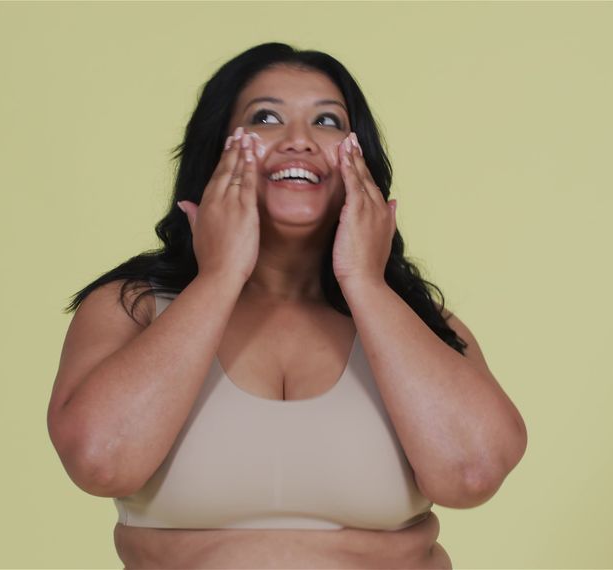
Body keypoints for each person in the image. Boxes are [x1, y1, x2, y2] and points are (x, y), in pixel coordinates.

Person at [47, 42, 527, 569]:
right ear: (215, 152)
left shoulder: (414, 322)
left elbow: (473, 474)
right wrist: (220, 276)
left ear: (359, 159)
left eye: (327, 121)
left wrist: (364, 280)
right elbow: (99, 462)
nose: (299, 140)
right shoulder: (134, 309)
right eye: (266, 117)